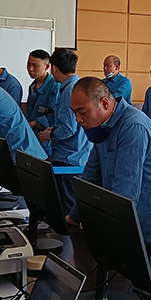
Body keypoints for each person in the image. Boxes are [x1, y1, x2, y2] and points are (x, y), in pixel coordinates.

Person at [68, 77, 151, 278]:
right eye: (74, 112)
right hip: (127, 222)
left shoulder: (133, 126)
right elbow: (90, 176)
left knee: (139, 290)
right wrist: (73, 218)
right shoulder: (102, 127)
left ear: (104, 103)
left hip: (150, 225)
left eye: (82, 112)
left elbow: (125, 193)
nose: (77, 119)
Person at [42, 48, 92, 210]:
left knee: (67, 208)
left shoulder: (69, 91)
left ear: (54, 68)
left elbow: (68, 128)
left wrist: (51, 134)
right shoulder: (76, 86)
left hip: (68, 158)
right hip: (77, 155)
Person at [26, 49, 57, 157]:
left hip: (46, 143)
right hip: (31, 140)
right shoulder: (32, 87)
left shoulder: (54, 87)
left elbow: (56, 116)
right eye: (28, 64)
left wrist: (36, 123)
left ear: (47, 67)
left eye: (35, 66)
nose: (30, 69)